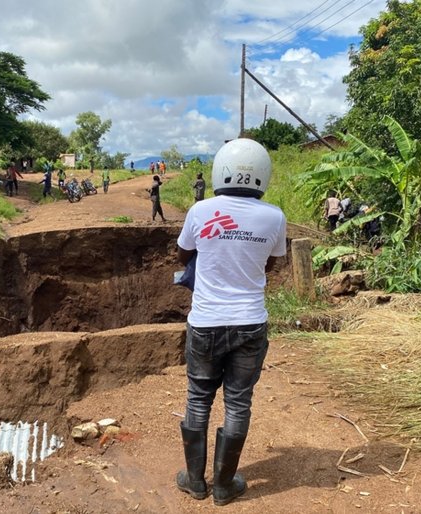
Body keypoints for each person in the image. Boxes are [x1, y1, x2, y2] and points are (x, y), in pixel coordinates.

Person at [175, 138, 286, 506]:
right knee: (238, 402)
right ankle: (223, 486)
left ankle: (195, 482)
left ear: (220, 170)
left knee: (198, 397)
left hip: (206, 322)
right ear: (262, 176)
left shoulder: (201, 210)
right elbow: (270, 263)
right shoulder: (274, 216)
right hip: (251, 323)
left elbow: (184, 252)